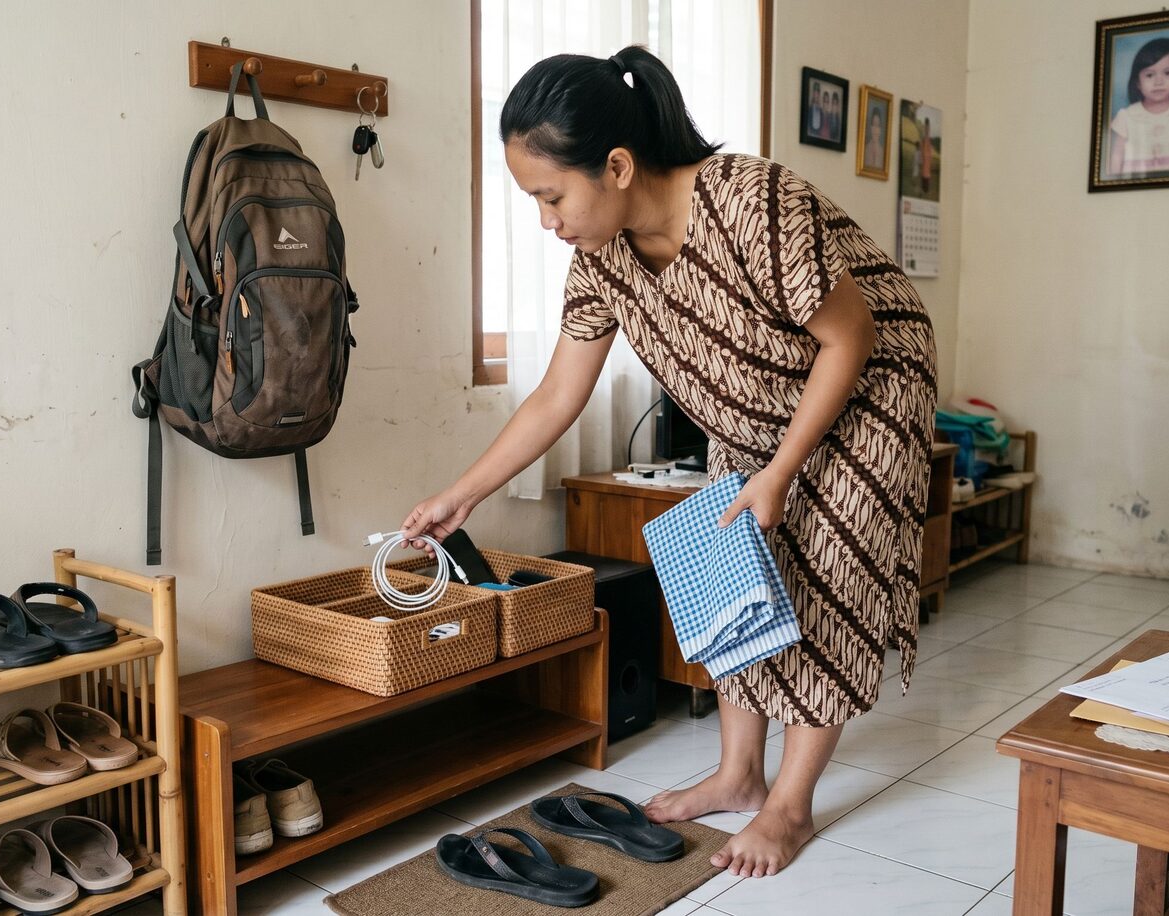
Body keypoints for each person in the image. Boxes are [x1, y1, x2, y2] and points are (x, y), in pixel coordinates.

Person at [400, 46, 937, 879]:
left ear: (616, 166)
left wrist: (782, 472)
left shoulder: (753, 201)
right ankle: (737, 773)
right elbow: (555, 397)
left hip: (865, 385)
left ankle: (789, 807)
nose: (547, 219)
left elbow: (852, 337)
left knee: (827, 571)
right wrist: (460, 495)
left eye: (551, 196)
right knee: (725, 564)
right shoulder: (601, 257)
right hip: (754, 399)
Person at [1107, 36, 1169, 176]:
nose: (1159, 81)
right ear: (1137, 82)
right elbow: (1116, 156)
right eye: (1150, 75)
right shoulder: (1126, 116)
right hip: (1134, 186)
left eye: (1167, 73)